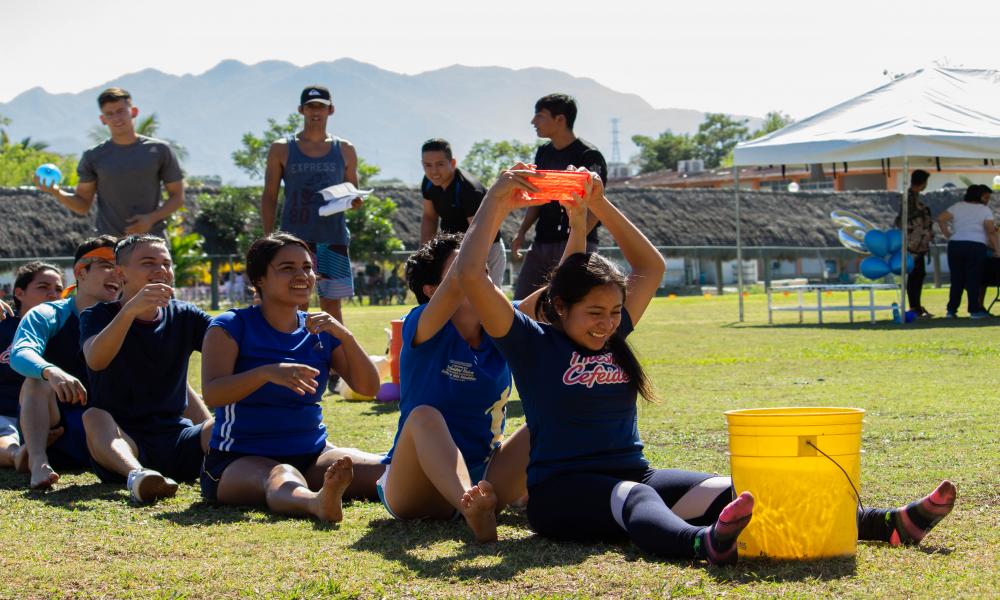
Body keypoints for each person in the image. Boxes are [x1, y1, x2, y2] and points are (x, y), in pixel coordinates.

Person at [455, 165, 957, 564]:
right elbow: (472, 275)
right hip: (563, 495)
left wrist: (599, 204)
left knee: (736, 491)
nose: (608, 324)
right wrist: (495, 202)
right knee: (635, 500)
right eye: (594, 314)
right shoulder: (530, 342)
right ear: (560, 308)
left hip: (635, 472)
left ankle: (884, 524)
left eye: (614, 312)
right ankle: (702, 545)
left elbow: (650, 266)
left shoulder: (613, 335)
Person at [199, 233, 380, 521]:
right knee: (281, 475)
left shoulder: (319, 331)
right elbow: (213, 394)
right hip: (239, 460)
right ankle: (316, 502)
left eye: (307, 267)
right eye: (287, 268)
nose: (302, 276)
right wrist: (267, 373)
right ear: (259, 279)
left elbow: (369, 387)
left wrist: (344, 335)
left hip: (312, 455)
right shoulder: (230, 326)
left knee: (381, 469)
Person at [80, 234, 214, 503]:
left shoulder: (185, 314)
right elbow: (96, 359)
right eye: (148, 262)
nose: (160, 270)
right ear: (121, 273)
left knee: (222, 424)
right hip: (124, 443)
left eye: (166, 263)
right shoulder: (97, 315)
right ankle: (139, 477)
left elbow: (230, 341)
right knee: (94, 416)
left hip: (179, 437)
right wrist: (129, 311)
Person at [10, 238, 122, 489]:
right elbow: (20, 352)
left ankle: (209, 444)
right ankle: (38, 461)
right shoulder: (48, 313)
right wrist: (51, 371)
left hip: (109, 428)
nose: (118, 273)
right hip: (56, 429)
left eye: (121, 267)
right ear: (81, 272)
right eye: (107, 265)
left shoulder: (127, 316)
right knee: (36, 382)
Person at [260, 85, 360, 325]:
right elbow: (270, 195)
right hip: (295, 240)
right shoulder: (282, 148)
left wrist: (354, 201)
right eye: (311, 106)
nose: (316, 111)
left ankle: (337, 359)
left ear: (331, 110)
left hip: (333, 237)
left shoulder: (345, 149)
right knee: (295, 301)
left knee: (331, 305)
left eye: (321, 107)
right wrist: (268, 239)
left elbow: (352, 194)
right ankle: (295, 353)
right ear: (301, 110)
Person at [33, 88, 185, 237]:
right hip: (109, 246)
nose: (116, 118)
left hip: (152, 243)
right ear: (103, 120)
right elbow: (82, 205)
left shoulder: (159, 150)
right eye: (109, 114)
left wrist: (151, 218)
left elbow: (177, 197)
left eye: (121, 111)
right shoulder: (93, 156)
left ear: (133, 112)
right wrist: (56, 191)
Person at [511, 94, 608, 300]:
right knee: (521, 303)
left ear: (560, 120)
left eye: (540, 116)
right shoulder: (543, 153)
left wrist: (576, 240)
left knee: (569, 304)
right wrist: (521, 232)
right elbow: (538, 198)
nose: (533, 122)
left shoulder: (589, 155)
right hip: (542, 243)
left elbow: (597, 208)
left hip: (578, 245)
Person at [0, 263, 64, 472]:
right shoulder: (4, 324)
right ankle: (17, 454)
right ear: (19, 293)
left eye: (57, 289)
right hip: (4, 412)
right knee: (5, 434)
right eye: (43, 287)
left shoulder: (66, 329)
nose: (52, 294)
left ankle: (31, 447)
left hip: (48, 412)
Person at [420, 139, 506, 285]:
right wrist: (425, 255)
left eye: (440, 164)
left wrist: (478, 266)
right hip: (454, 249)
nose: (433, 171)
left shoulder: (469, 189)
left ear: (452, 163)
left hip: (486, 246)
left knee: (485, 303)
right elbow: (429, 217)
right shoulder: (428, 182)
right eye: (428, 165)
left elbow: (481, 233)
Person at [938, 184, 998, 319]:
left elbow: (940, 219)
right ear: (980, 196)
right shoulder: (984, 210)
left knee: (957, 279)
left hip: (956, 245)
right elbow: (991, 231)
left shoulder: (957, 206)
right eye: (986, 197)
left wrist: (949, 235)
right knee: (973, 278)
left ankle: (951, 310)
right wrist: (998, 250)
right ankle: (974, 310)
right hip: (976, 246)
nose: (987, 200)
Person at [894, 169, 934, 317]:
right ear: (923, 183)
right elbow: (908, 219)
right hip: (913, 244)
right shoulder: (909, 198)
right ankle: (914, 306)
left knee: (918, 274)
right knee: (915, 274)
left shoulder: (914, 197)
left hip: (919, 243)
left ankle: (916, 305)